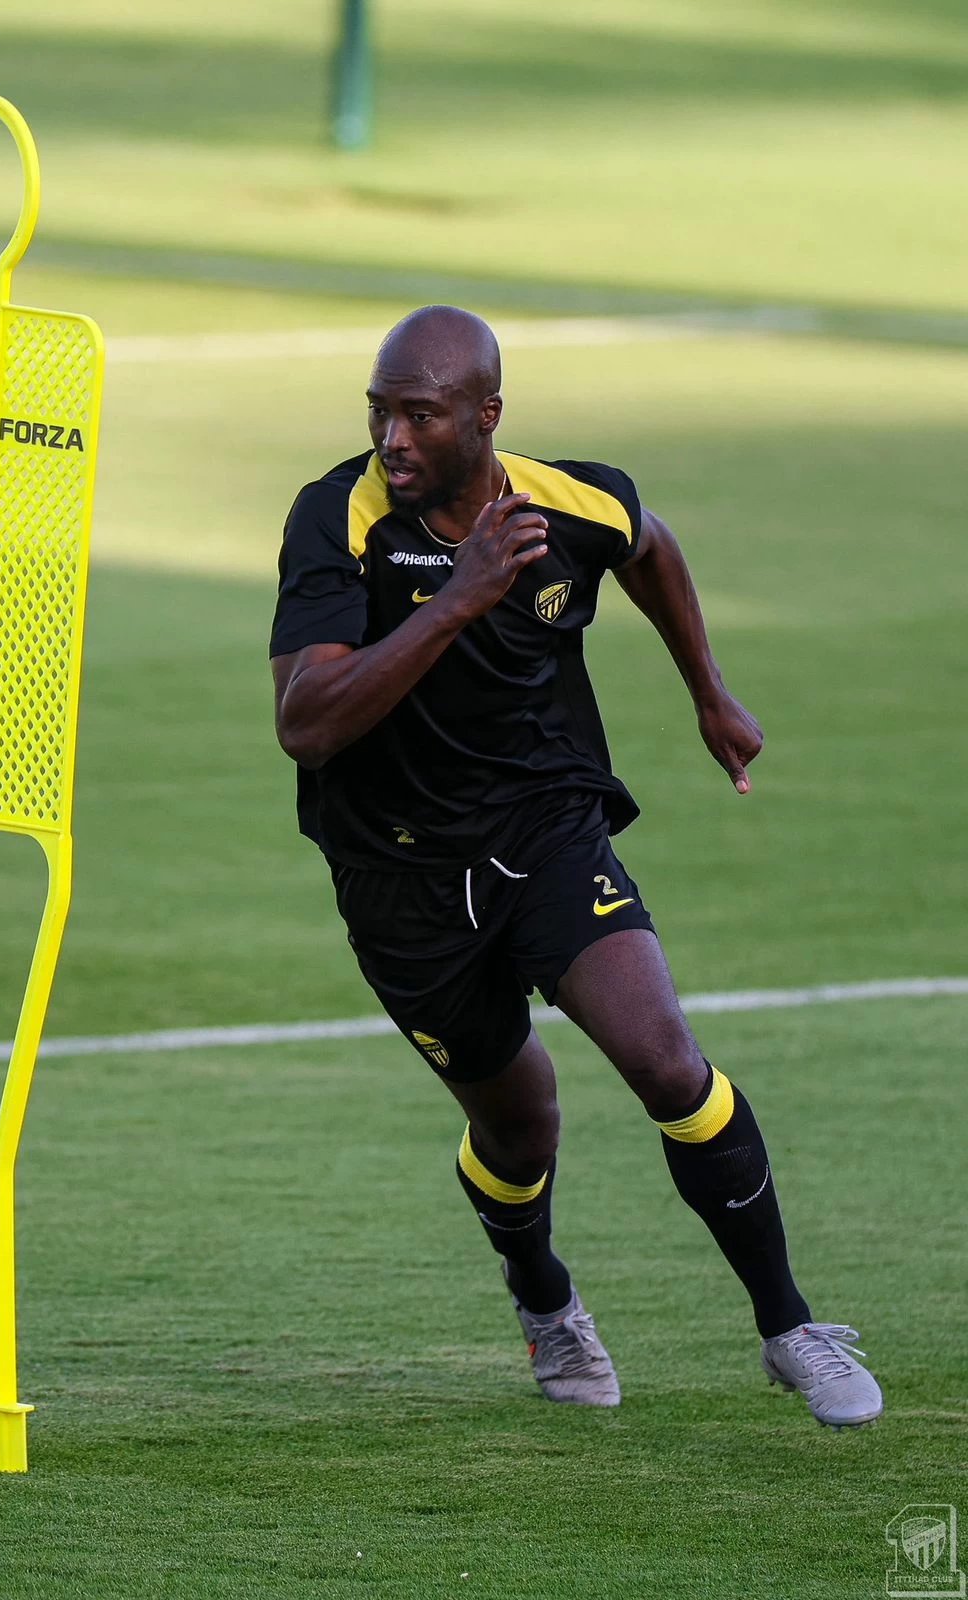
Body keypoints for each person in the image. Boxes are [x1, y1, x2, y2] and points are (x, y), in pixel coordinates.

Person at [269, 305, 882, 1428]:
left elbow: (649, 544)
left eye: (419, 414)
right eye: (378, 411)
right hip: (399, 880)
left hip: (546, 835)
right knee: (521, 1123)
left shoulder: (564, 500)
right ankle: (543, 1294)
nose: (391, 439)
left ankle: (788, 1325)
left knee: (666, 1062)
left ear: (485, 417)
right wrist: (458, 601)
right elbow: (306, 721)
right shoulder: (338, 520)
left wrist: (707, 689)